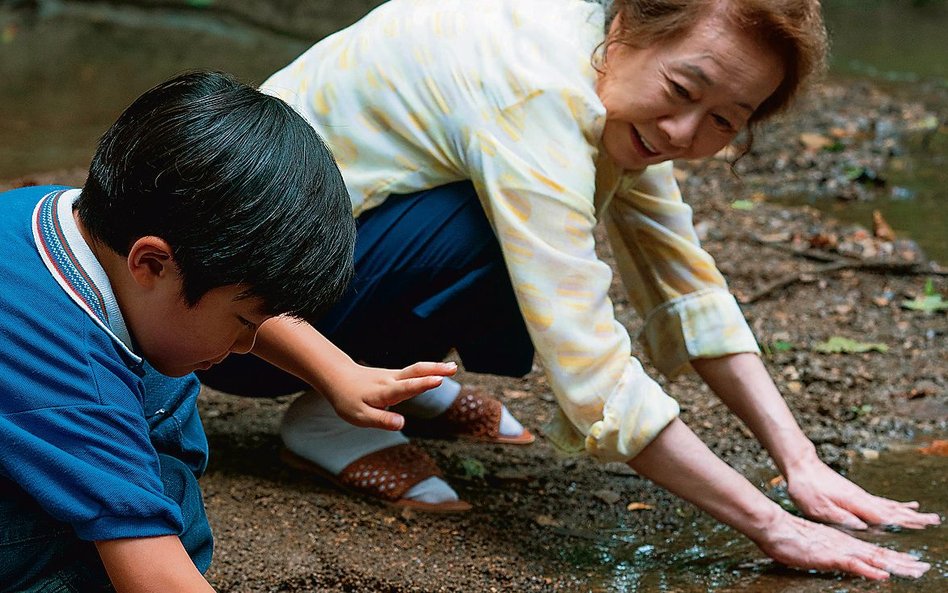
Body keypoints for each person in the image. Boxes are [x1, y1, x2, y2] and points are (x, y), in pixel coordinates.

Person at [199, 0, 940, 579]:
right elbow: (590, 370)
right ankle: (333, 413)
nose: (685, 131)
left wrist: (799, 460)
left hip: (314, 266)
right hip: (231, 325)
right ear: (627, 25)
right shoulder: (540, 93)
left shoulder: (605, 75)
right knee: (510, 234)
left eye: (724, 120)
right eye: (683, 89)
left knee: (526, 216)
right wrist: (770, 525)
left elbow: (682, 277)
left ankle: (397, 373)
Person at [0, 71, 456, 592]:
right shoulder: (76, 379)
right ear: (150, 262)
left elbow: (234, 292)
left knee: (162, 423)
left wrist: (340, 374)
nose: (247, 344)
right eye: (242, 324)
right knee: (161, 513)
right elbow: (158, 578)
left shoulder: (72, 215)